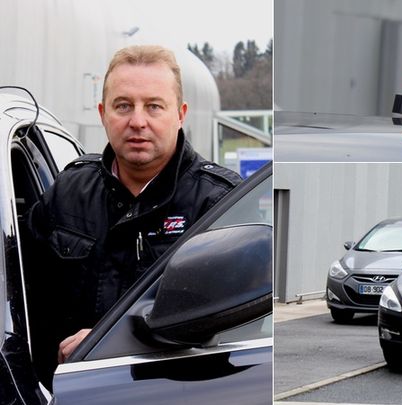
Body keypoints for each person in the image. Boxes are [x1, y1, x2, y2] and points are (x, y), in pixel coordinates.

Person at [27, 45, 241, 385]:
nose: (137, 121)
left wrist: (116, 340)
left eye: (154, 106)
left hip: (174, 391)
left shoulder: (219, 203)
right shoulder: (65, 194)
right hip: (72, 393)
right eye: (123, 106)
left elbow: (231, 321)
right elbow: (24, 303)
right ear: (102, 113)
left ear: (180, 113)